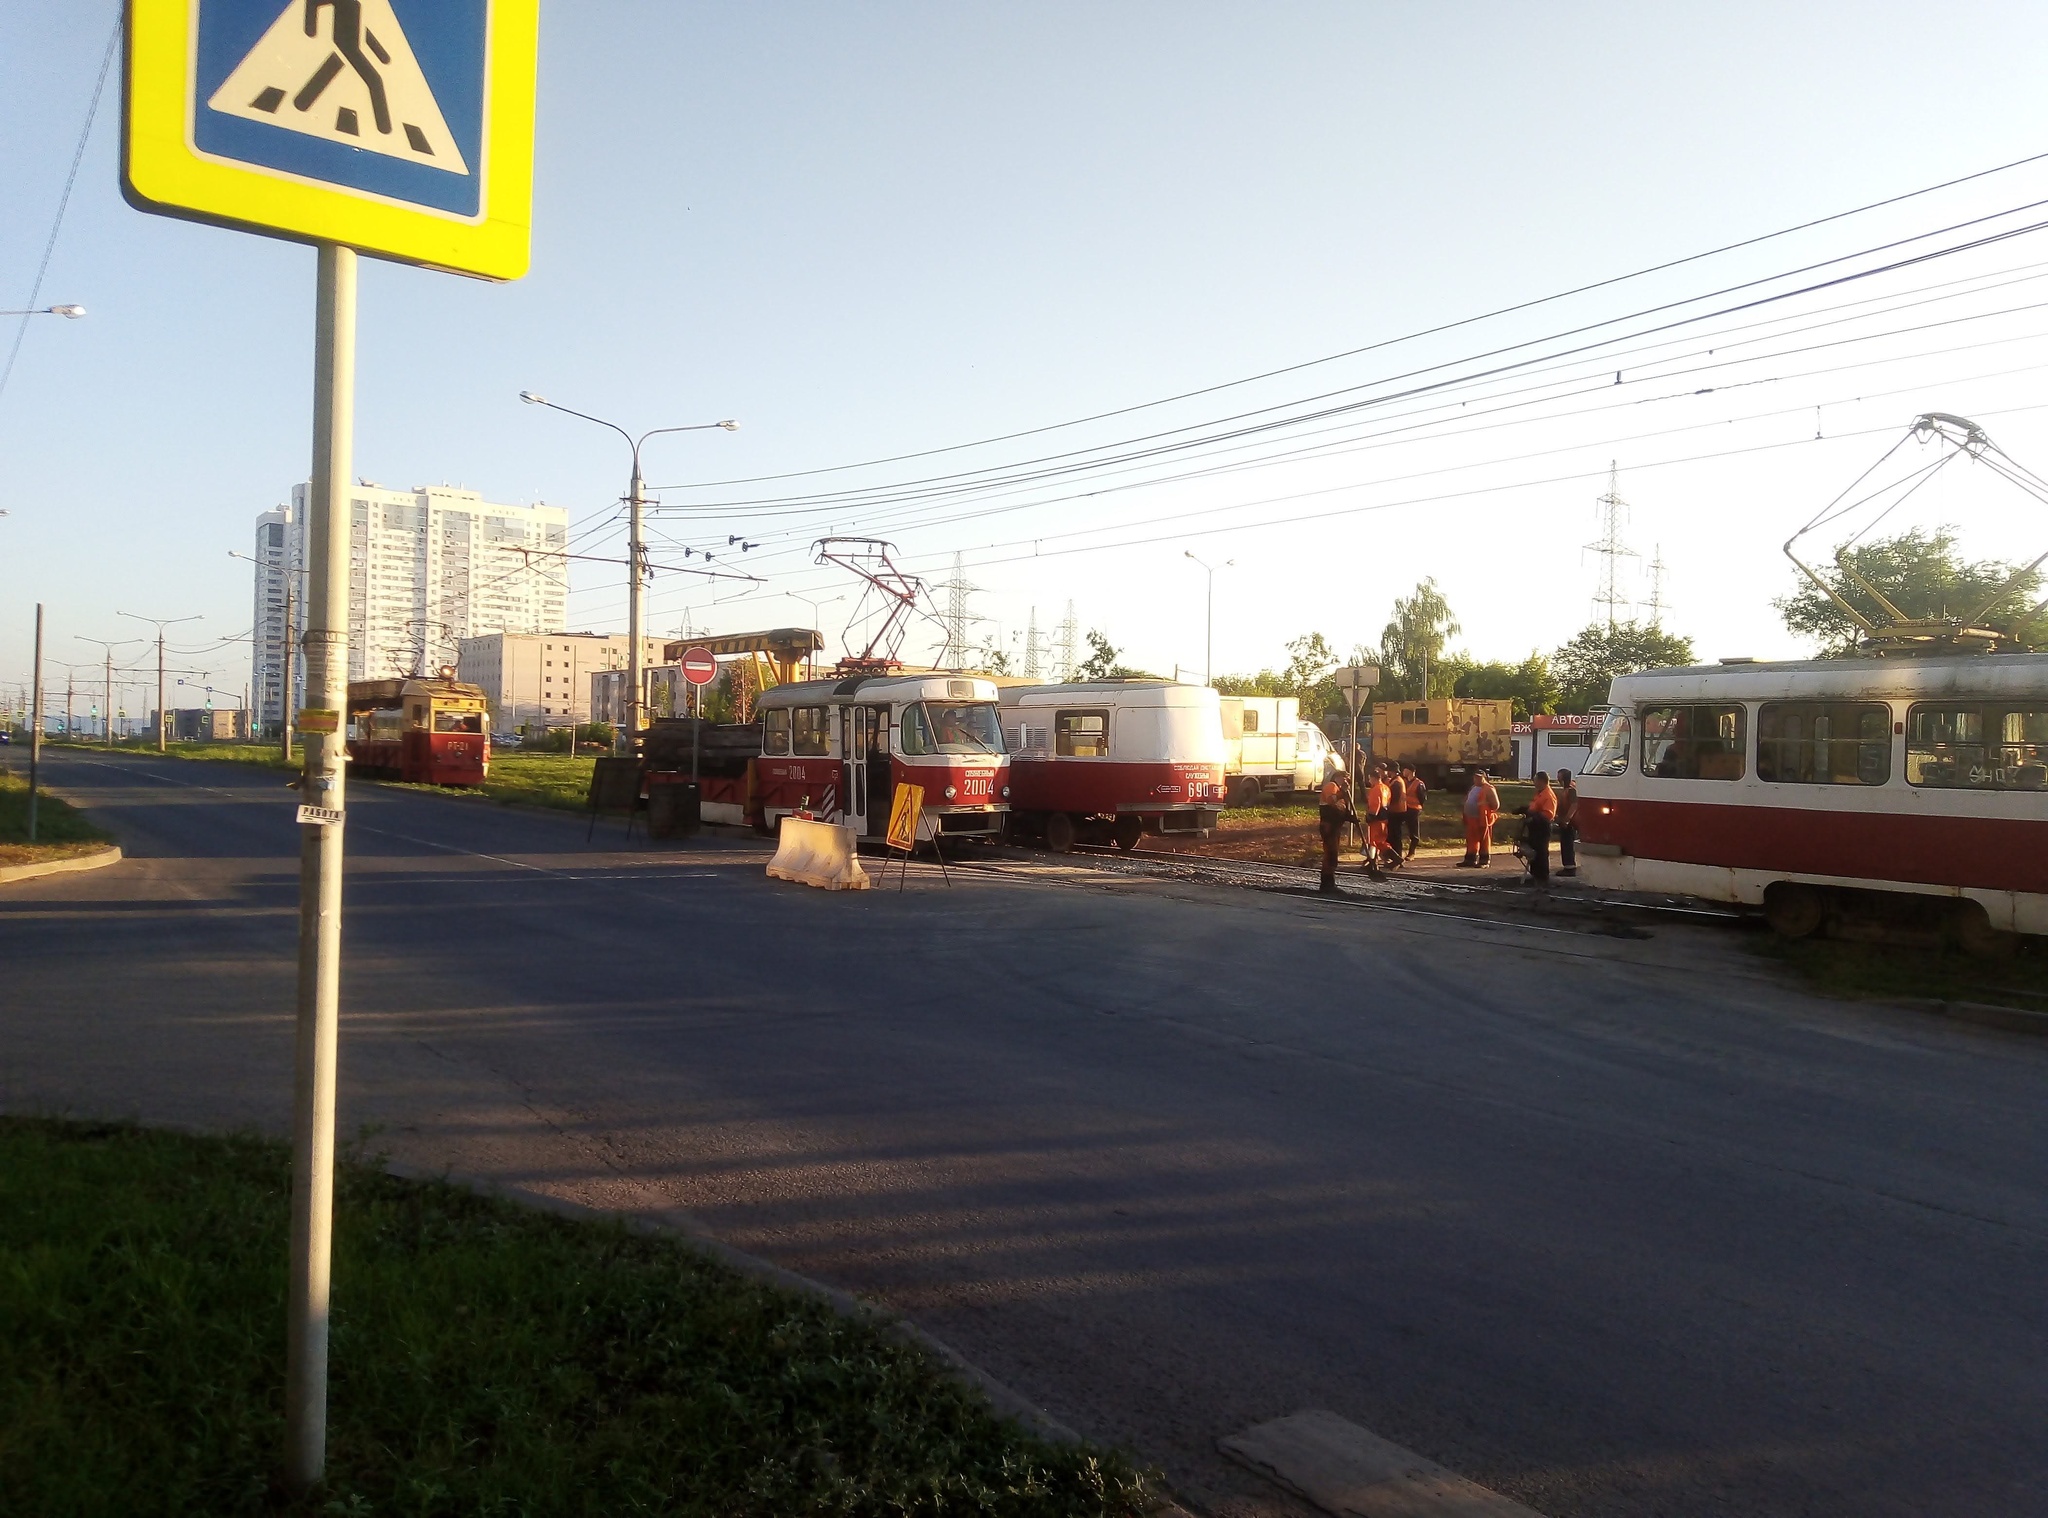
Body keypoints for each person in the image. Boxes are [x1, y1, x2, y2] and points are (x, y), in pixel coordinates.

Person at [1318, 767, 1357, 894]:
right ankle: (1327, 883)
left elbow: (1340, 809)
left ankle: (1329, 882)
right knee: (1330, 854)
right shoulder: (1331, 786)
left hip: (1336, 826)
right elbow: (1331, 801)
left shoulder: (1341, 791)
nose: (1347, 781)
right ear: (1338, 777)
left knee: (1333, 854)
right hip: (1328, 826)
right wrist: (1342, 792)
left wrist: (1350, 817)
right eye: (1345, 778)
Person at [1521, 771, 1557, 885]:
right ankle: (1535, 875)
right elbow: (1535, 807)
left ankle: (1542, 877)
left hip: (1542, 827)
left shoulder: (1548, 795)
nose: (1534, 783)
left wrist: (1533, 818)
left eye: (1535, 780)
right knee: (1534, 850)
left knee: (1541, 851)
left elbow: (1548, 814)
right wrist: (1525, 810)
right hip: (1535, 827)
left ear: (1542, 781)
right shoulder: (1539, 793)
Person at [1459, 769, 1500, 867]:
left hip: (1482, 819)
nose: (1476, 779)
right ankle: (1470, 859)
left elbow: (1496, 805)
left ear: (1484, 777)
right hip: (1471, 818)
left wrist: (1485, 807)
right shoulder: (1474, 787)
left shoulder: (1489, 788)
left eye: (1479, 777)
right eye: (1475, 777)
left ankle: (1484, 861)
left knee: (1484, 840)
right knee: (1471, 839)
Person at [1554, 768, 1580, 877]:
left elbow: (1574, 805)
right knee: (1565, 843)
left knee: (1567, 843)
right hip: (1564, 820)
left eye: (1560, 778)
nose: (1558, 780)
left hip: (1569, 822)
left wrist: (1567, 819)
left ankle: (1569, 867)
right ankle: (1568, 866)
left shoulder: (1571, 790)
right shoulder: (1567, 789)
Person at [1399, 762, 1426, 859]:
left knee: (1413, 832)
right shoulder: (1404, 782)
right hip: (1404, 808)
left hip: (1414, 810)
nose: (1403, 772)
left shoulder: (1419, 783)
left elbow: (1422, 798)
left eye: (1404, 770)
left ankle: (1412, 853)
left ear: (1409, 771)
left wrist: (1419, 808)